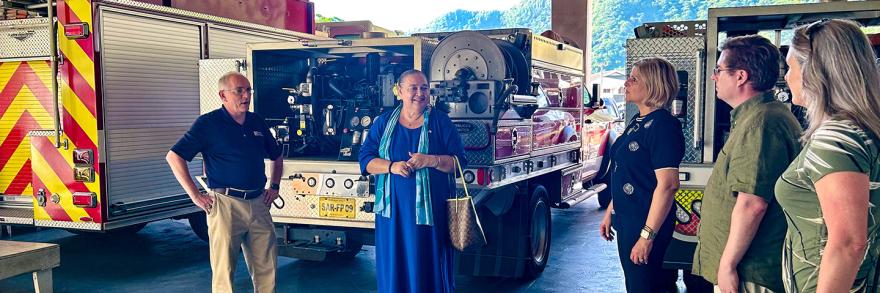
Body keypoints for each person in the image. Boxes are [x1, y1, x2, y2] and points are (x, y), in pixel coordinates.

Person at [691, 35, 802, 293]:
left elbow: (752, 203)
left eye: (719, 70)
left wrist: (728, 265)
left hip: (749, 272)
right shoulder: (758, 117)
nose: (713, 77)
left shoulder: (761, 123)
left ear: (740, 76)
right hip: (746, 269)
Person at [776, 19, 880, 293]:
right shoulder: (864, 130)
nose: (786, 76)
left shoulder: (834, 139)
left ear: (814, 71)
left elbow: (848, 243)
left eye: (790, 67)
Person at [166, 72, 283, 293]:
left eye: (248, 90)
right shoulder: (208, 124)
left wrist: (274, 187)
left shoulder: (256, 122)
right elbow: (174, 156)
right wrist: (195, 195)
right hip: (225, 205)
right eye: (239, 91)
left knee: (267, 270)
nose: (246, 95)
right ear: (223, 95)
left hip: (259, 204)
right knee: (224, 273)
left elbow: (276, 155)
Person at [358, 70, 467, 293]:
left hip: (430, 216)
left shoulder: (440, 122)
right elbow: (365, 159)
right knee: (394, 263)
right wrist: (391, 166)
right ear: (399, 92)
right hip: (392, 216)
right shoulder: (384, 122)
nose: (420, 93)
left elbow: (459, 162)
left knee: (427, 264)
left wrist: (431, 160)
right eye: (413, 88)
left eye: (424, 88)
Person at [599, 57, 685, 292]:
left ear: (653, 85)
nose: (626, 83)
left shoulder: (663, 125)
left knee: (646, 287)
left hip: (646, 222)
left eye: (634, 79)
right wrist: (610, 211)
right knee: (636, 285)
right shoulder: (638, 121)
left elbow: (668, 186)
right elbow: (628, 173)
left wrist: (647, 237)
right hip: (627, 219)